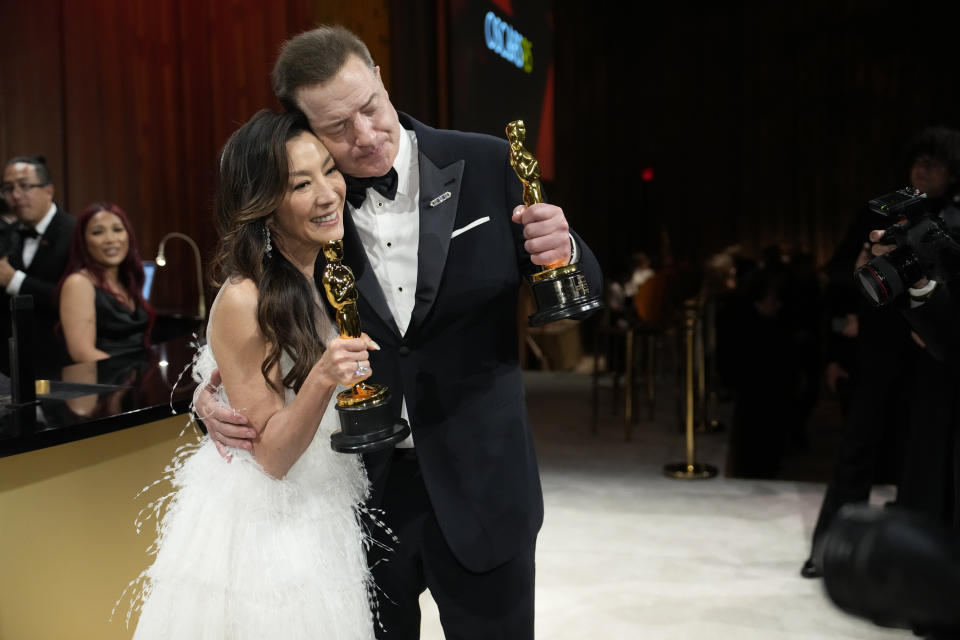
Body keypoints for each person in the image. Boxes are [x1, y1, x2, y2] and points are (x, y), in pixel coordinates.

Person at [196, 25, 602, 639]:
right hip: (360, 496)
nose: (365, 137)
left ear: (382, 79)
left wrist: (564, 246)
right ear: (303, 129)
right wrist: (211, 397)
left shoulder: (488, 161)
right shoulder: (312, 211)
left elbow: (574, 282)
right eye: (337, 128)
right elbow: (256, 320)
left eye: (370, 108)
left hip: (487, 484)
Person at [127, 109, 379, 639]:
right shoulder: (246, 298)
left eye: (329, 171)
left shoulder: (322, 271)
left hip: (321, 499)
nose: (329, 193)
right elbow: (269, 457)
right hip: (272, 522)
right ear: (264, 204)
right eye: (300, 184)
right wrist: (324, 377)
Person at [802, 125, 960, 578]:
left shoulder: (954, 219)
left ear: (952, 172)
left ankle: (912, 563)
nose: (923, 169)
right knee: (859, 445)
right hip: (882, 343)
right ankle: (829, 548)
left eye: (935, 163)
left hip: (935, 353)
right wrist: (859, 270)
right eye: (918, 162)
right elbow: (835, 272)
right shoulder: (887, 211)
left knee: (923, 457)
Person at [0, 155, 75, 375]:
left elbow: (72, 300)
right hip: (12, 367)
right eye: (8, 188)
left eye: (24, 186)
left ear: (48, 190)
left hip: (61, 365)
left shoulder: (74, 232)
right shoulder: (7, 235)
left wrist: (13, 280)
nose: (15, 195)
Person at [57, 202, 154, 363]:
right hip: (108, 382)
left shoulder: (127, 281)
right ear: (84, 241)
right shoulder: (78, 283)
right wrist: (129, 380)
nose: (110, 239)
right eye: (98, 232)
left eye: (117, 229)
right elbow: (82, 353)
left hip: (137, 380)